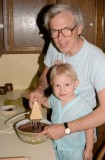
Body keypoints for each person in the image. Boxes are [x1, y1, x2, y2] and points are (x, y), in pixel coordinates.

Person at [29, 3, 105, 140]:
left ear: (79, 28)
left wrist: (66, 128)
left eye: (66, 29)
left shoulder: (96, 59)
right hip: (57, 121)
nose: (60, 38)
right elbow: (46, 76)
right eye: (54, 31)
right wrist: (40, 89)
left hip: (81, 130)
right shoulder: (54, 47)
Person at [40, 63, 94, 160]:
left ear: (75, 84)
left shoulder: (82, 106)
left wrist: (89, 149)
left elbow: (89, 128)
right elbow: (47, 103)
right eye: (57, 85)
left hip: (74, 150)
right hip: (56, 146)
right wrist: (39, 99)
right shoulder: (54, 98)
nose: (62, 89)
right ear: (51, 85)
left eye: (67, 84)